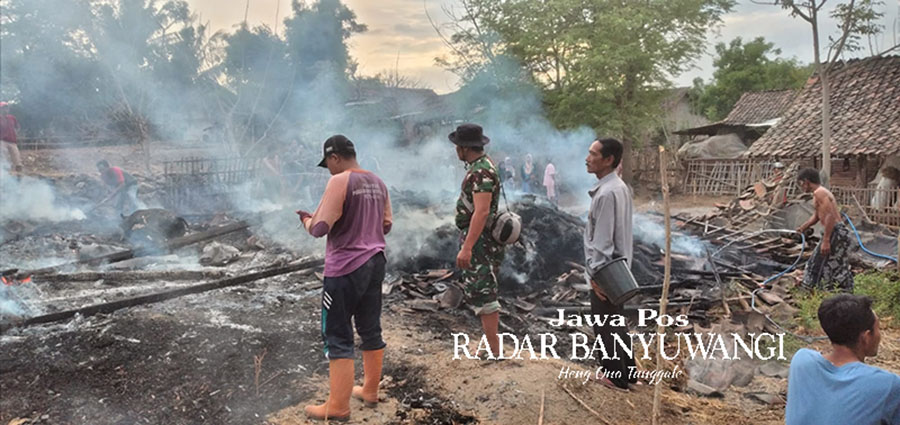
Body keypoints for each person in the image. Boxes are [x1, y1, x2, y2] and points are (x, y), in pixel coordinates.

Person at [297, 135, 392, 422]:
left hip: (345, 267)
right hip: (375, 262)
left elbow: (320, 228)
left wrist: (306, 219)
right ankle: (370, 390)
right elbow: (386, 225)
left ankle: (337, 406)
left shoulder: (339, 181)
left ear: (334, 157)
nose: (328, 169)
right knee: (370, 328)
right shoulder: (378, 182)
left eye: (327, 163)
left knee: (337, 334)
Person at [785, 294, 900, 425]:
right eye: (878, 329)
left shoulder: (801, 361)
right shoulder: (888, 385)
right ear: (866, 337)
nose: (880, 335)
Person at [584, 138, 636, 391]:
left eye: (593, 154)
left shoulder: (606, 194)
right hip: (620, 269)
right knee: (616, 320)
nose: (587, 158)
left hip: (607, 272)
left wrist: (596, 277)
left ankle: (615, 376)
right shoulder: (619, 187)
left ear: (609, 160)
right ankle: (629, 370)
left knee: (604, 324)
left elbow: (603, 241)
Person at [450, 123, 504, 358]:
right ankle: (492, 346)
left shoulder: (481, 172)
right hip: (482, 239)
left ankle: (495, 350)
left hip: (480, 241)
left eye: (457, 146)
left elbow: (481, 212)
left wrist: (467, 247)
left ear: (463, 148)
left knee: (484, 291)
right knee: (484, 289)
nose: (455, 151)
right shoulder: (482, 165)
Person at [796, 168, 854, 291]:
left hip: (835, 232)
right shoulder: (818, 193)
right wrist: (803, 227)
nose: (801, 187)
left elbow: (829, 216)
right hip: (835, 232)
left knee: (815, 264)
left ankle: (810, 291)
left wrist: (826, 240)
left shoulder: (820, 193)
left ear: (806, 181)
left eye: (801, 183)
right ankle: (839, 291)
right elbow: (817, 215)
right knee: (835, 264)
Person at [0, 102, 23, 173]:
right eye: (3, 108)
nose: (6, 110)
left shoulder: (12, 118)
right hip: (2, 141)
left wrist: (16, 132)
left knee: (18, 162)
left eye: (7, 108)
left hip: (13, 142)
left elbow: (17, 127)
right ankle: (4, 177)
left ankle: (19, 177)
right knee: (4, 160)